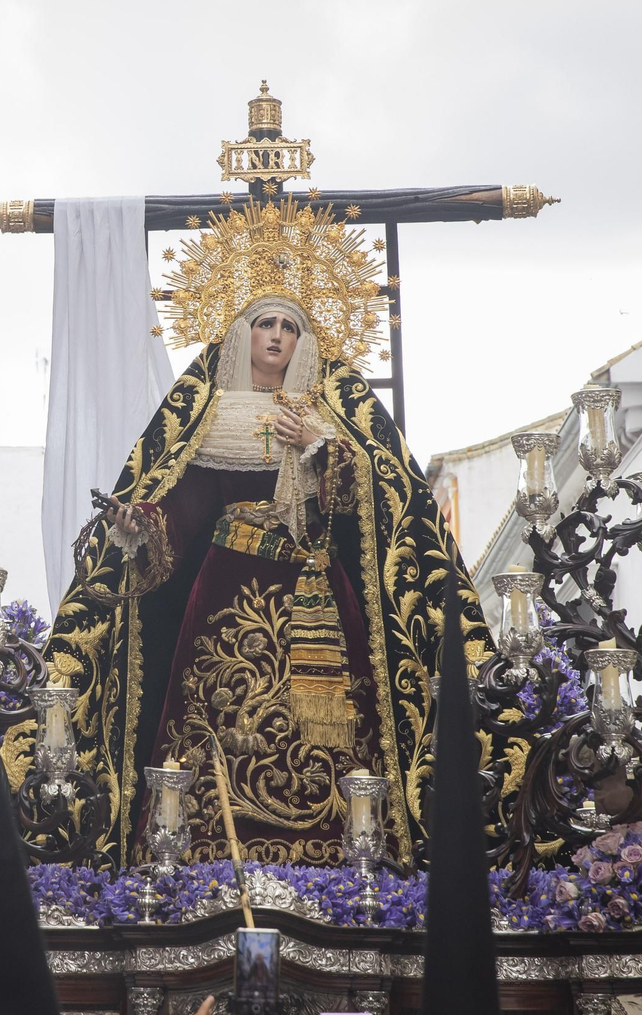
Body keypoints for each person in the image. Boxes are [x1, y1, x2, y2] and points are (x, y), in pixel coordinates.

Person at [40, 199, 492, 869]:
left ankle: (344, 854)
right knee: (220, 719)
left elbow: (383, 506)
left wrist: (321, 448)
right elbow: (184, 502)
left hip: (316, 594)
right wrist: (143, 524)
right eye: (264, 324)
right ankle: (194, 851)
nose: (277, 336)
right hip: (224, 593)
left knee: (330, 733)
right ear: (241, 333)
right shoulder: (205, 415)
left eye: (289, 326)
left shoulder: (335, 414)